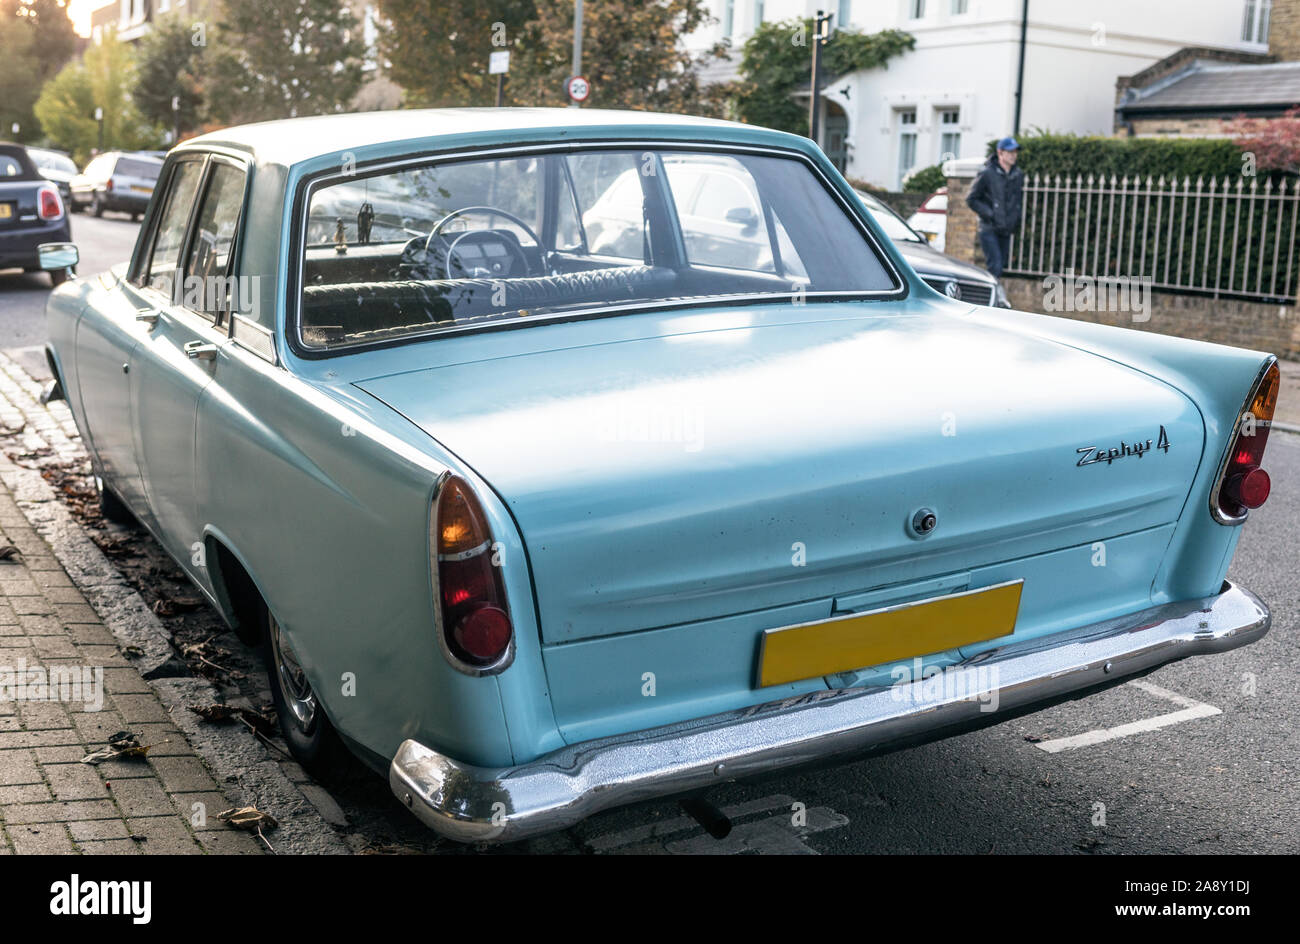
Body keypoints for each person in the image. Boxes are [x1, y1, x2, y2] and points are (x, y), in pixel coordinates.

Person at [965, 136, 1023, 279]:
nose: (1013, 155)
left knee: (1000, 266)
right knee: (995, 266)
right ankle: (989, 299)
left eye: (1015, 152)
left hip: (1006, 228)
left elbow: (1016, 201)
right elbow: (971, 199)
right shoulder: (987, 173)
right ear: (1000, 153)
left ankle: (990, 296)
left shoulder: (1018, 175)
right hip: (989, 228)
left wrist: (1015, 218)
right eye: (1009, 152)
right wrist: (990, 214)